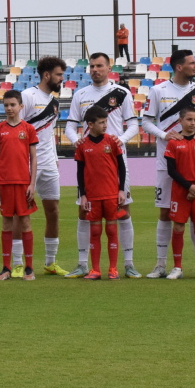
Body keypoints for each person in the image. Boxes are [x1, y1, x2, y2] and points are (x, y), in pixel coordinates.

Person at [141, 49, 195, 279]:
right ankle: (160, 264)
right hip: (168, 164)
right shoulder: (158, 90)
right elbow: (146, 122)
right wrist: (165, 136)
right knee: (166, 213)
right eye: (192, 63)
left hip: (194, 163)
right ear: (179, 66)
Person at [65, 52, 140, 278]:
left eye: (99, 65)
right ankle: (82, 263)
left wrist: (122, 139)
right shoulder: (80, 94)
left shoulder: (122, 93)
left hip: (115, 160)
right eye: (92, 66)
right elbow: (70, 125)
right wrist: (75, 140)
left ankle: (128, 264)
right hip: (89, 161)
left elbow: (133, 125)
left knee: (123, 210)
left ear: (109, 68)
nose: (95, 69)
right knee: (83, 210)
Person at [21, 56, 69, 275]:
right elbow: (16, 130)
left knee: (53, 211)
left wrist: (56, 159)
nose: (62, 79)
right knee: (20, 213)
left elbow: (49, 135)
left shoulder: (54, 102)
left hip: (48, 163)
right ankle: (17, 263)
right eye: (59, 75)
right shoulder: (28, 96)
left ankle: (50, 262)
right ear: (47, 75)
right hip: (26, 164)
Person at [0, 90, 40, 281]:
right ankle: (6, 268)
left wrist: (31, 183)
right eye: (6, 105)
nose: (9, 108)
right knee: (6, 223)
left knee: (26, 223)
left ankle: (29, 268)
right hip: (4, 184)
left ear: (21, 106)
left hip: (23, 184)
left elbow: (34, 158)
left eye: (13, 105)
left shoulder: (28, 129)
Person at [74, 106, 127, 280]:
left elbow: (122, 167)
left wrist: (121, 189)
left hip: (111, 194)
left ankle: (113, 269)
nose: (105, 125)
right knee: (95, 232)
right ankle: (95, 270)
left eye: (106, 122)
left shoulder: (112, 141)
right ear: (90, 124)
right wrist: (83, 194)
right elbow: (80, 172)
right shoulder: (82, 145)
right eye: (101, 122)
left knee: (112, 231)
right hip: (93, 196)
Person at [163, 106, 195, 279]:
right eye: (189, 119)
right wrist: (188, 186)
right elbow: (171, 170)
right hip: (180, 191)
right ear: (180, 121)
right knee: (178, 226)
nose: (192, 123)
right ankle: (177, 267)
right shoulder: (173, 142)